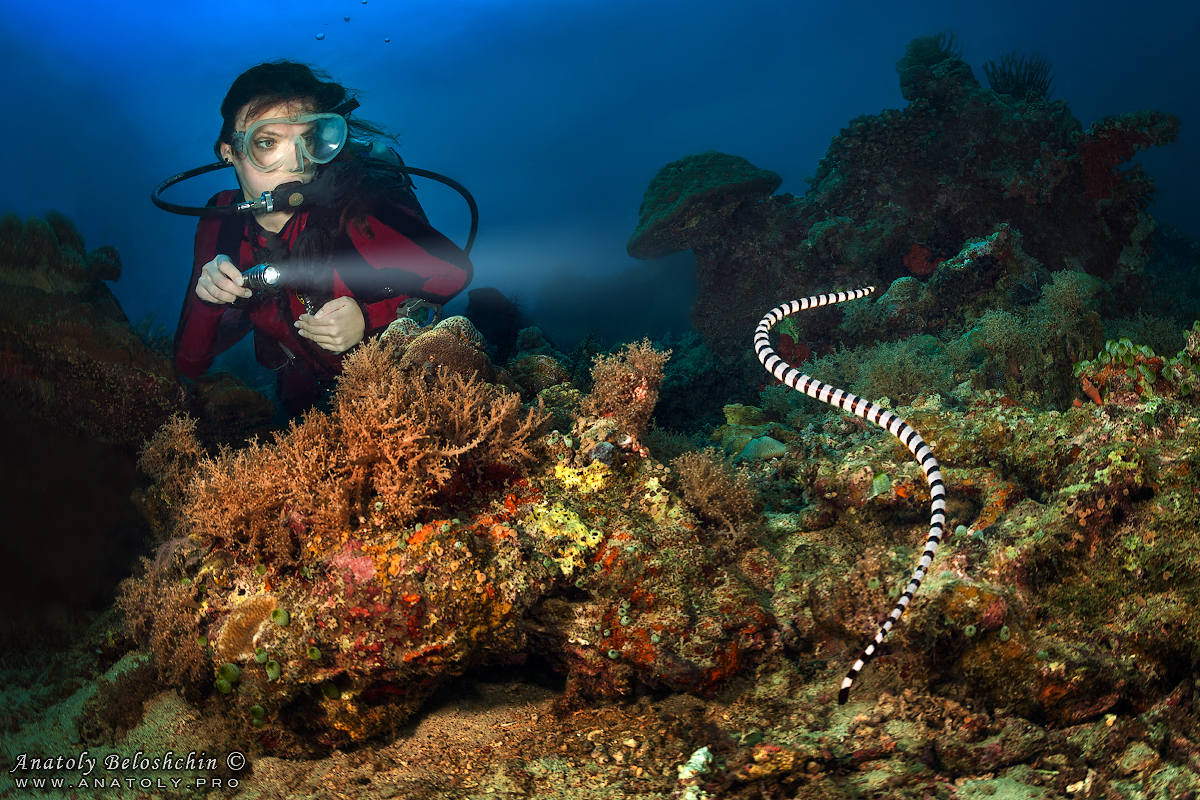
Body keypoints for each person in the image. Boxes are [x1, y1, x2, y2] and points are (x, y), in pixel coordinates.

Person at [173, 60, 473, 415]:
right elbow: (189, 364)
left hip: (385, 387)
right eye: (267, 143)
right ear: (229, 151)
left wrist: (368, 316)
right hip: (301, 386)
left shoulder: (356, 203)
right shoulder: (219, 221)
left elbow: (452, 272)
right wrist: (208, 300)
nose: (296, 164)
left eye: (308, 139)